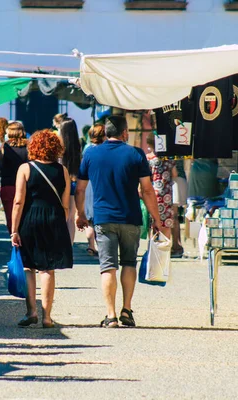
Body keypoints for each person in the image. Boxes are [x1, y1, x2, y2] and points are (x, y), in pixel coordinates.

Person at [75, 115, 168, 328]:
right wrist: (157, 218)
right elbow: (146, 189)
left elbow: (79, 189)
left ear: (106, 132)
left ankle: (111, 315)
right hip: (130, 218)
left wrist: (80, 214)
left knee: (107, 267)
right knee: (128, 263)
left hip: (104, 219)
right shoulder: (135, 154)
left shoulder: (91, 154)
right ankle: (127, 309)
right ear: (125, 132)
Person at [11, 130, 73, 329]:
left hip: (30, 219)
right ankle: (47, 317)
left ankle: (31, 312)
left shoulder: (25, 168)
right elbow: (65, 204)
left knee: (29, 267)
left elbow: (18, 201)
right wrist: (59, 223)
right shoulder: (62, 170)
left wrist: (14, 229)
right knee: (48, 269)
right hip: (54, 218)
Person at [0, 121, 28, 234]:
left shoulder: (5, 146)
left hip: (8, 184)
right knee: (25, 216)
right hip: (26, 185)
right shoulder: (29, 146)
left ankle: (14, 239)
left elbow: (0, 164)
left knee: (11, 217)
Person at [82, 124, 106, 256]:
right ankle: (100, 245)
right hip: (100, 184)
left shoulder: (88, 150)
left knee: (90, 219)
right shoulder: (105, 150)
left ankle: (91, 245)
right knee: (100, 218)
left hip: (89, 184)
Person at [146, 135, 177, 233]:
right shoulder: (169, 158)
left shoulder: (148, 158)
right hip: (166, 193)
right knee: (167, 223)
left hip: (152, 192)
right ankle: (165, 246)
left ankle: (154, 245)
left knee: (153, 221)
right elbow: (175, 174)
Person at [59, 119, 81, 245]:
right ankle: (69, 246)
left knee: (61, 216)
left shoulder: (59, 146)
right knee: (71, 218)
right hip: (74, 181)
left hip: (61, 183)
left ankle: (60, 246)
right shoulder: (77, 145)